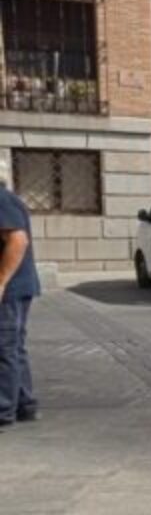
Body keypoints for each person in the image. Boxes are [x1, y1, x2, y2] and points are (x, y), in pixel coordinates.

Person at [0, 181, 41, 427]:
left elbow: (18, 240)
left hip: (11, 289)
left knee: (4, 347)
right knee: (13, 346)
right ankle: (25, 405)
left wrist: (1, 281)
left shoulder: (1, 199)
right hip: (17, 286)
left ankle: (3, 410)